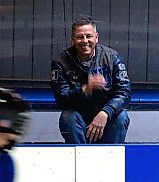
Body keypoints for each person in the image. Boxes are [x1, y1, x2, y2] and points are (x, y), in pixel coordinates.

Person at [50, 16, 131, 144]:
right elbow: (61, 100)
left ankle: (111, 158)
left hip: (105, 116)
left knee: (121, 117)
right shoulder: (60, 62)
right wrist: (85, 89)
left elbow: (124, 93)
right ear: (72, 40)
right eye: (80, 37)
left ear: (96, 37)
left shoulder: (112, 57)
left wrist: (105, 112)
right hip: (79, 118)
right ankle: (80, 159)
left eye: (89, 36)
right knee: (68, 117)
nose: (85, 41)